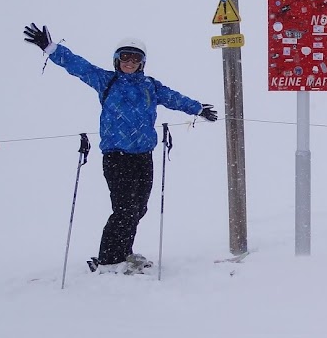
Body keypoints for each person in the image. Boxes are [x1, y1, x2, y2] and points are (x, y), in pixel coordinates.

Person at [23, 23, 218, 273]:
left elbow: (173, 98)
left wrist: (198, 109)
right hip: (116, 156)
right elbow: (79, 66)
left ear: (142, 63)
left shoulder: (150, 86)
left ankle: (123, 252)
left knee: (139, 208)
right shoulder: (106, 81)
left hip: (143, 156)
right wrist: (51, 48)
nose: (130, 62)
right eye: (125, 57)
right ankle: (108, 260)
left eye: (135, 58)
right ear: (117, 59)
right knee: (124, 209)